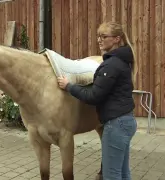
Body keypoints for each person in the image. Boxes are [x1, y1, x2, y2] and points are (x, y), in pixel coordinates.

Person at [57, 21, 137, 180]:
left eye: (104, 36)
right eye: (98, 36)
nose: (99, 40)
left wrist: (69, 87)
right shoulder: (122, 60)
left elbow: (94, 96)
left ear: (117, 39)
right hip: (126, 121)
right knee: (123, 172)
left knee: (111, 175)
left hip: (116, 125)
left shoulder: (111, 65)